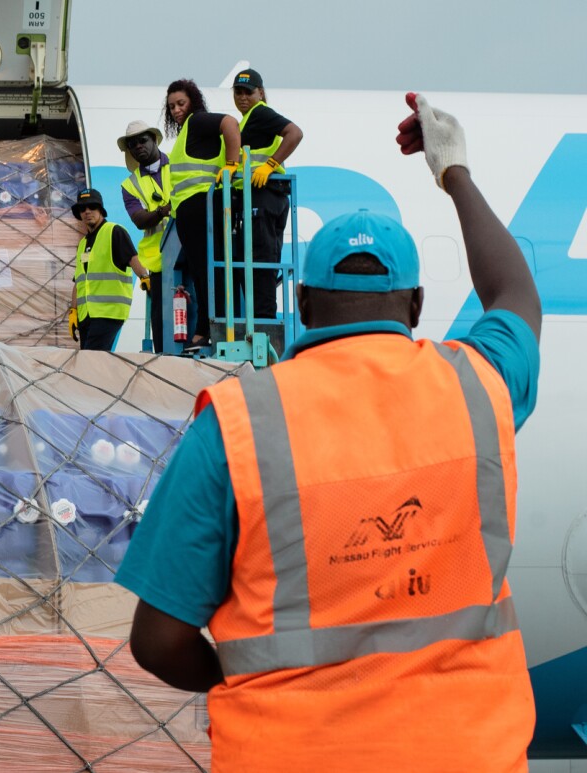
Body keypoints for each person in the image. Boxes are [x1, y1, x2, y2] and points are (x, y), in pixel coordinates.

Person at [116, 93, 541, 771]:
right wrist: (453, 170)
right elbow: (515, 295)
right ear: (415, 304)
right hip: (470, 754)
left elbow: (158, 639)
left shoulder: (235, 423)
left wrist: (250, 682)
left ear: (304, 303)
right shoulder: (479, 387)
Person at [162, 78, 242, 351]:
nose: (176, 110)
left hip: (198, 204)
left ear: (193, 102)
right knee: (203, 269)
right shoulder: (190, 132)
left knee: (204, 269)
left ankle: (206, 328)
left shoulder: (198, 121)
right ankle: (207, 326)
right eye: (171, 106)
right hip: (193, 207)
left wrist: (232, 165)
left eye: (180, 103)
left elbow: (230, 123)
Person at [230, 68, 303, 323]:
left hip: (265, 194)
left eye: (248, 92)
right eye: (237, 92)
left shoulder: (261, 113)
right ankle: (259, 318)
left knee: (261, 263)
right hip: (255, 196)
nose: (242, 97)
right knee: (251, 264)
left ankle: (263, 323)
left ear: (260, 93)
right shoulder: (247, 119)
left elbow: (295, 133)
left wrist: (271, 164)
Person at [68, 188, 149, 352]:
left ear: (100, 210)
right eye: (82, 209)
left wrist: (144, 277)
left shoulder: (114, 231)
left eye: (92, 207)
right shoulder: (83, 243)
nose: (87, 212)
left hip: (108, 312)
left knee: (92, 359)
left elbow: (132, 257)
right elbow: (79, 280)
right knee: (90, 361)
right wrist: (73, 311)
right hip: (87, 315)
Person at [118, 120, 172, 352]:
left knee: (196, 310)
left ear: (154, 140)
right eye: (132, 144)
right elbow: (139, 220)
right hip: (158, 261)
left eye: (142, 141)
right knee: (161, 320)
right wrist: (163, 211)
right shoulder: (130, 185)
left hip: (189, 251)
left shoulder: (179, 165)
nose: (138, 146)